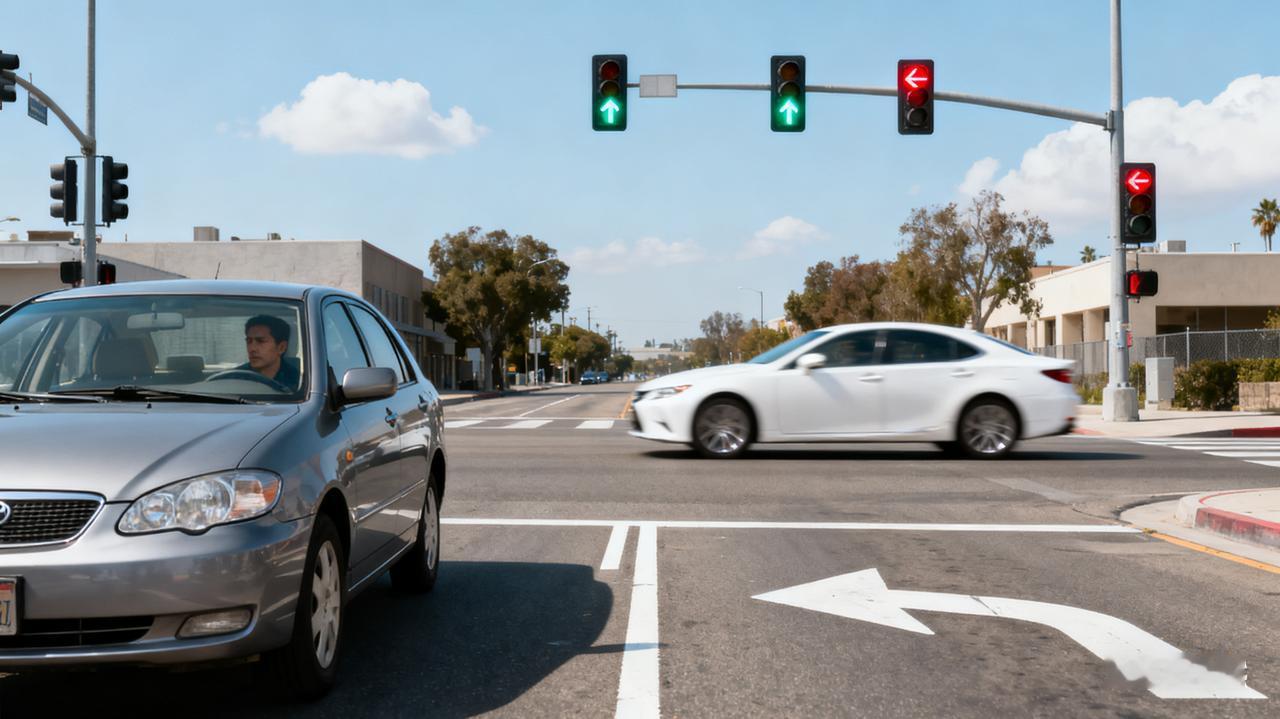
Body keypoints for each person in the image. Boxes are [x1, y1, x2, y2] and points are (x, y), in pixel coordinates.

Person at [241, 315, 300, 389]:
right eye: (249, 341)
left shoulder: (300, 383)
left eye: (261, 341)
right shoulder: (235, 378)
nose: (252, 349)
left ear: (281, 348)